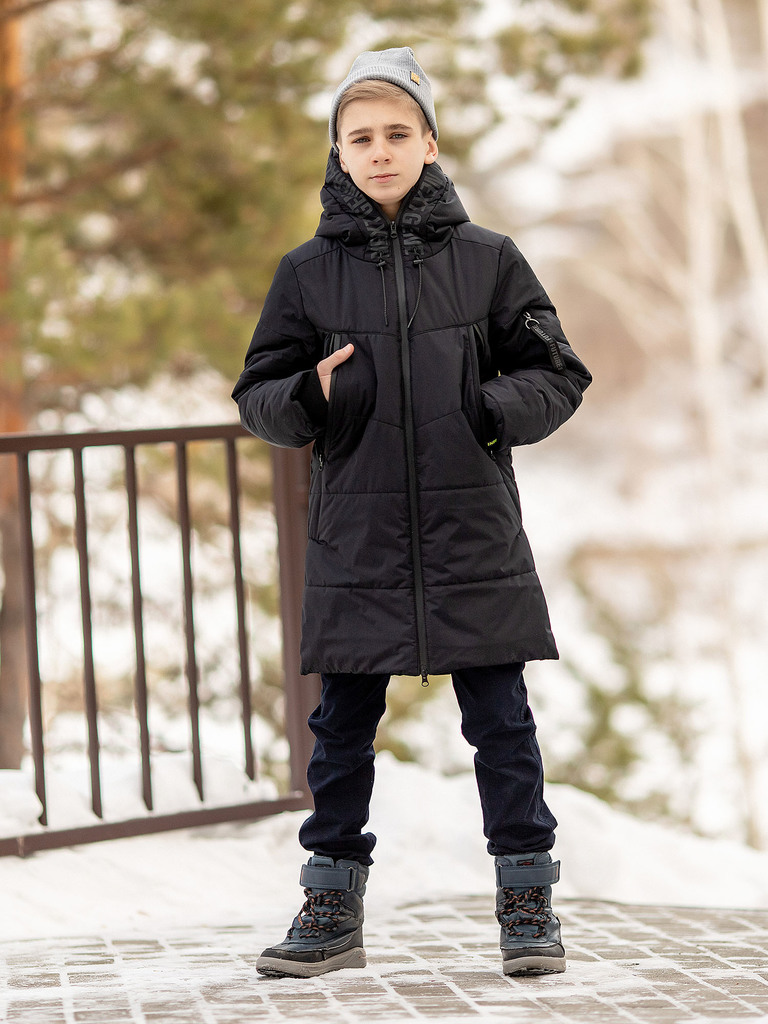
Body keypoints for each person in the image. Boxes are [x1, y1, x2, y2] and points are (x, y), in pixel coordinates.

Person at [232, 46, 591, 979]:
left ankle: (527, 902)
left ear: (430, 143)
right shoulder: (306, 274)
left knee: (502, 725)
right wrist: (308, 393)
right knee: (340, 731)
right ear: (339, 153)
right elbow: (258, 396)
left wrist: (488, 406)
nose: (380, 150)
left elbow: (558, 372)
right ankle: (329, 906)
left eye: (398, 133)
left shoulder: (489, 261)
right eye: (361, 137)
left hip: (472, 530)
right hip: (356, 535)